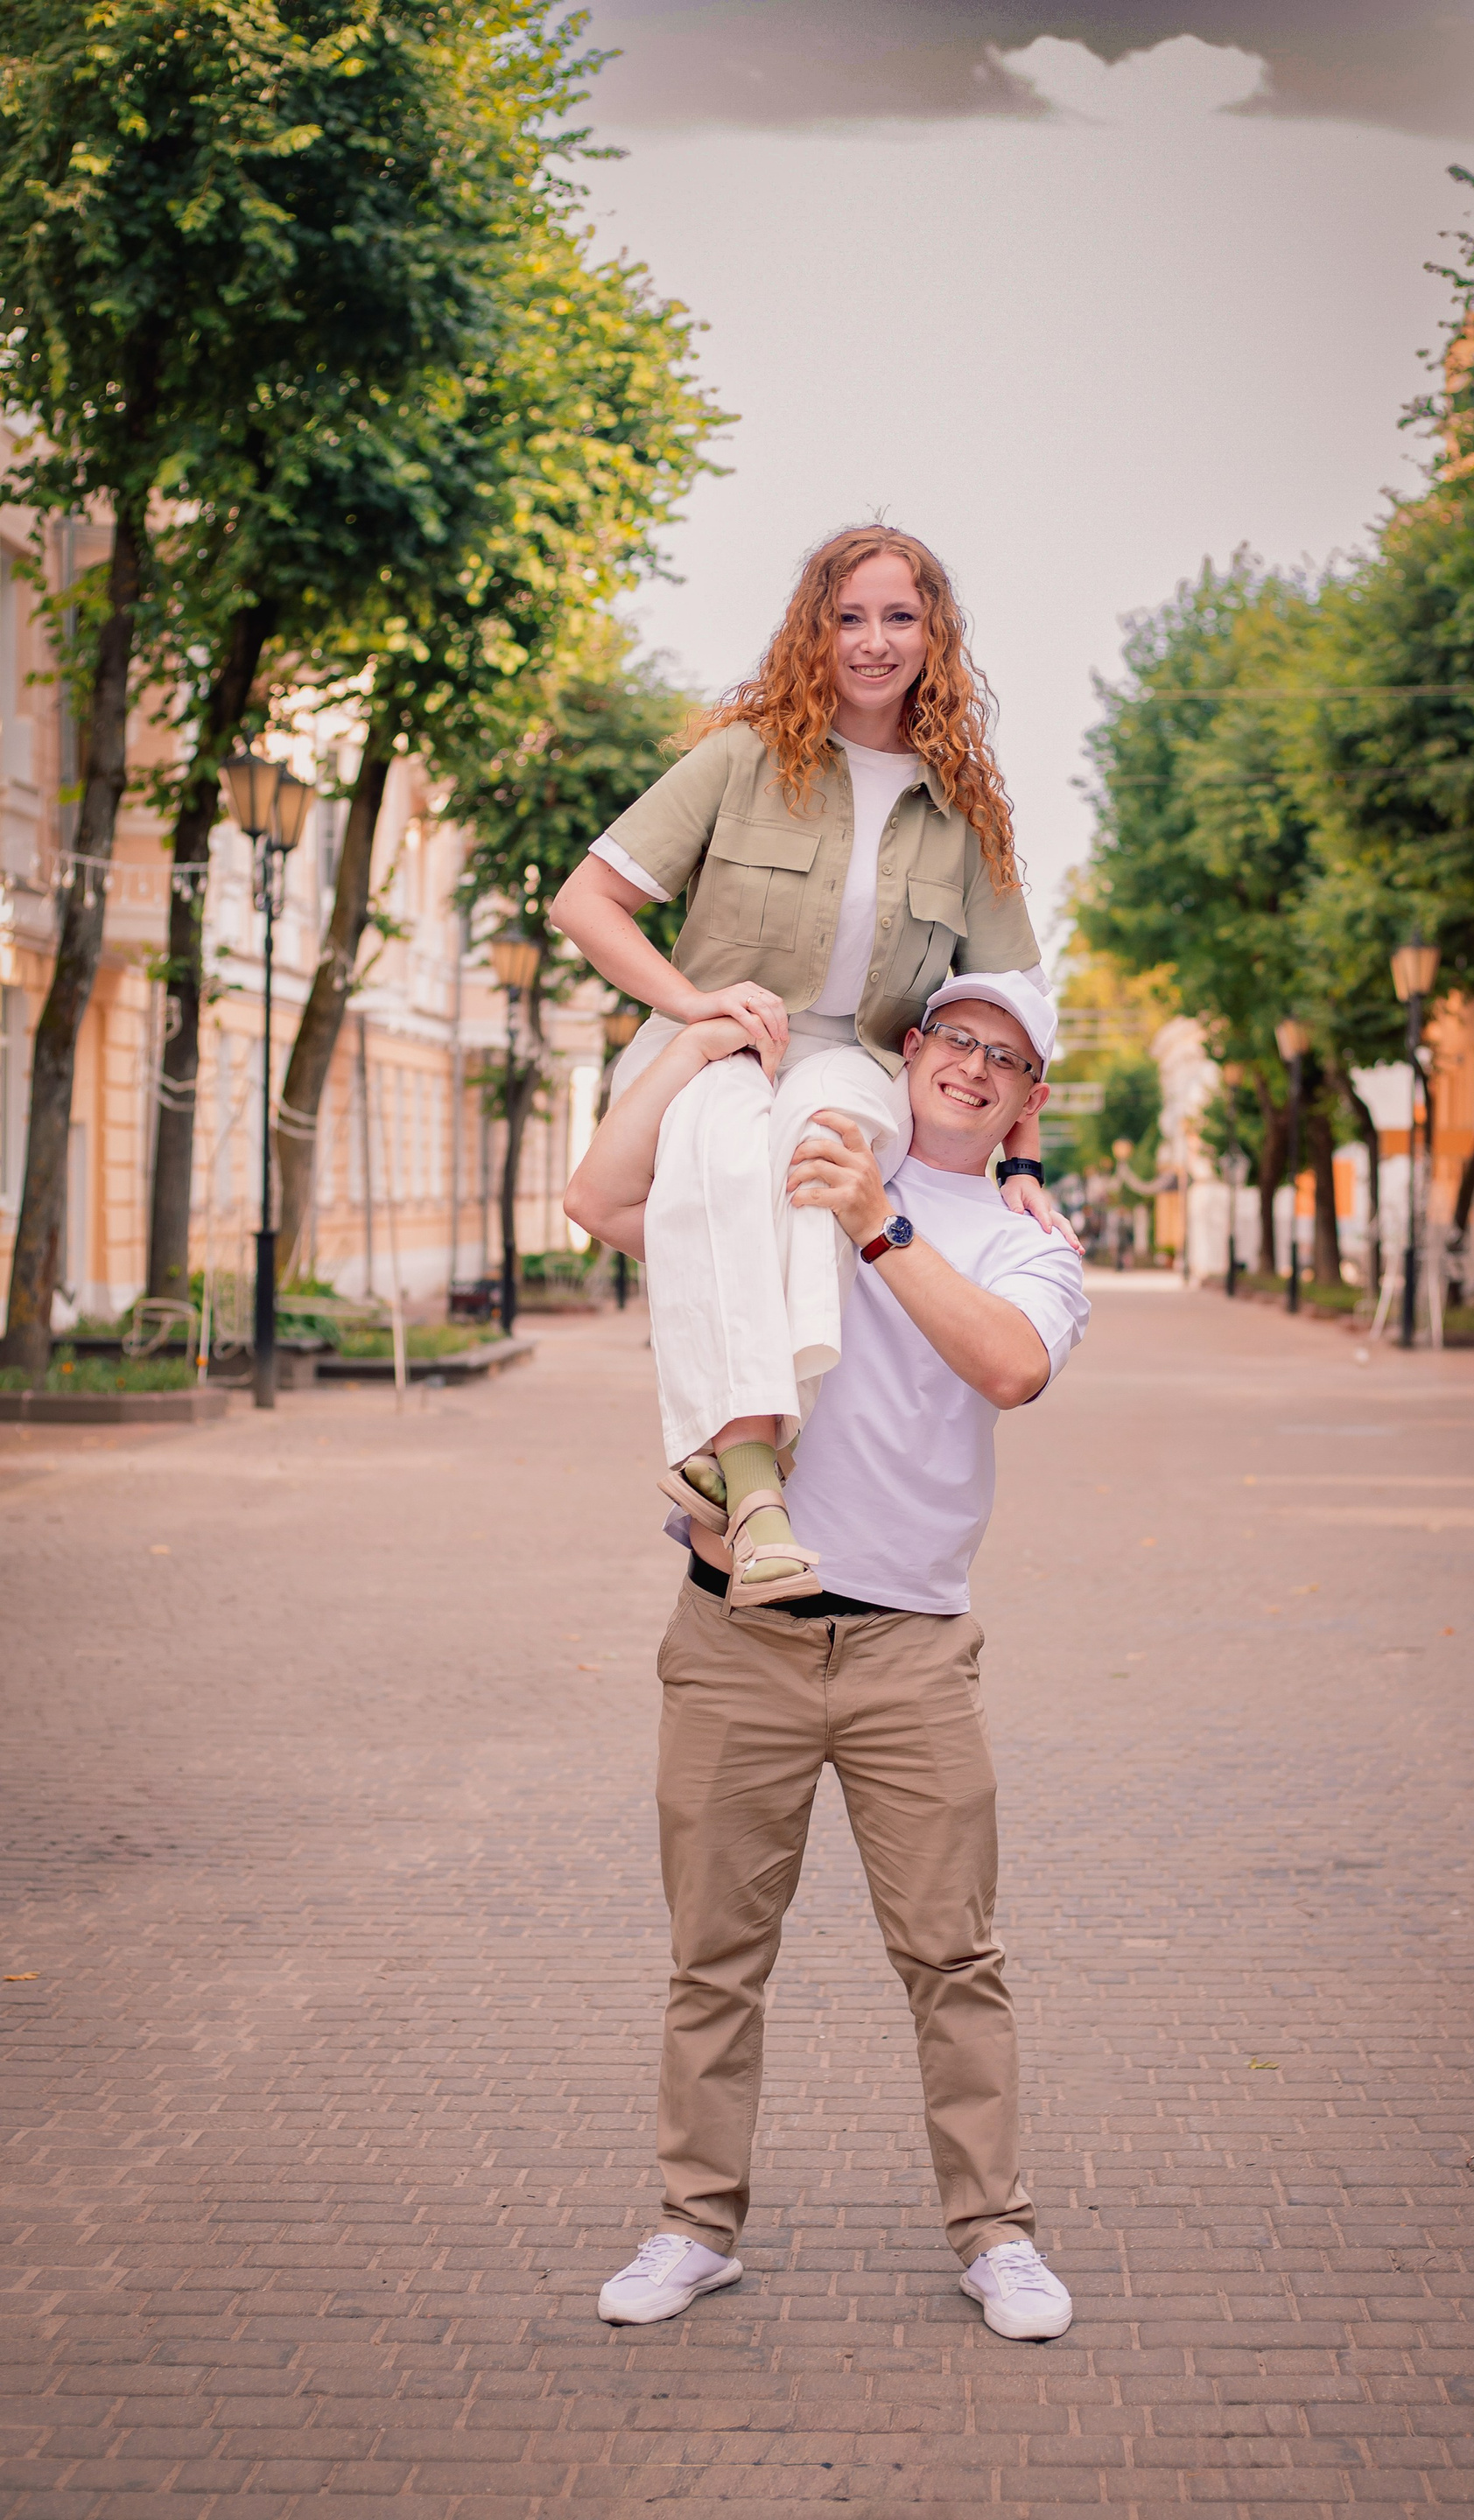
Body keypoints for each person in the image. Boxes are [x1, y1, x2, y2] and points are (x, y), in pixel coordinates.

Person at [562, 967, 1089, 2343]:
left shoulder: (1027, 1238)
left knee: (954, 1957)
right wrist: (698, 1046)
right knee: (713, 1957)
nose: (972, 1066)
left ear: (1029, 1099)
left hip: (911, 1647)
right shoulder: (793, 1157)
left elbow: (1010, 1367)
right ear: (909, 1048)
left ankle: (995, 2236)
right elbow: (600, 1202)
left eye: (1004, 1058)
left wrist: (879, 1222)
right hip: (734, 1634)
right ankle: (694, 2228)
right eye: (954, 1037)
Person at [551, 526, 1073, 1610]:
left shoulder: (963, 808)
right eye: (848, 618)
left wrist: (1023, 1165)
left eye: (899, 618)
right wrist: (693, 1006)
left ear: (934, 637)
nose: (873, 642)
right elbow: (584, 901)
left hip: (858, 1060)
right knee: (732, 1143)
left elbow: (1020, 1006)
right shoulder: (743, 758)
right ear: (814, 632)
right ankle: (754, 1474)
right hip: (718, 1043)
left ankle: (739, 1478)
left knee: (816, 1164)